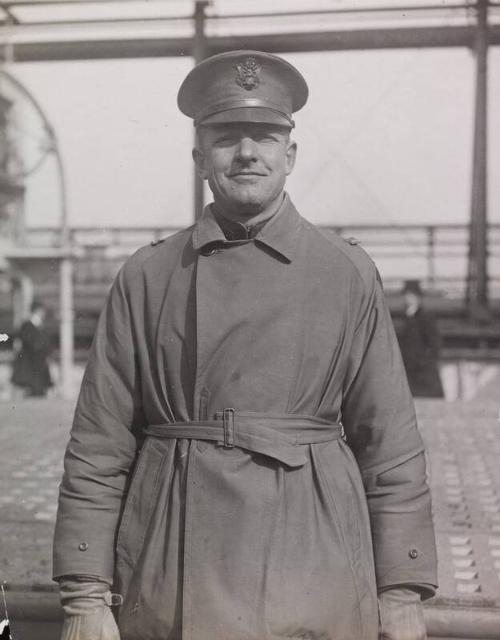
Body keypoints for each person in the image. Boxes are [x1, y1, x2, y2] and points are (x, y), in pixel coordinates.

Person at [53, 51, 437, 640]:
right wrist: (84, 594)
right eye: (227, 137)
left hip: (316, 553)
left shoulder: (345, 273)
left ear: (291, 154)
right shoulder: (148, 275)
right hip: (171, 550)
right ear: (199, 157)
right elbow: (98, 446)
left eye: (264, 136)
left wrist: (402, 592)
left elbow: (389, 444)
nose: (247, 153)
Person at [398, 279, 444, 399]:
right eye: (406, 295)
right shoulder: (406, 318)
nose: (407, 298)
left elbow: (435, 344)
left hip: (424, 374)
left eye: (410, 295)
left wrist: (425, 362)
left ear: (417, 298)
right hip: (410, 371)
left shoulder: (426, 318)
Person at [11, 300, 53, 397]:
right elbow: (32, 343)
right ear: (38, 310)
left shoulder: (40, 325)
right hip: (30, 363)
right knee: (32, 390)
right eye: (42, 311)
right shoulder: (27, 325)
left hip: (39, 363)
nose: (44, 313)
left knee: (40, 389)